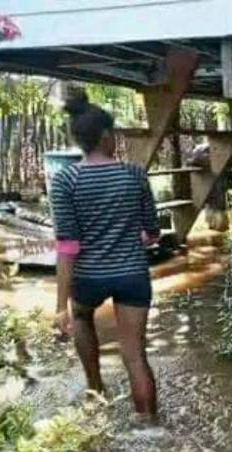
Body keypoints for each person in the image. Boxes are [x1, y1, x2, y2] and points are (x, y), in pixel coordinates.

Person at [51, 94, 159, 417]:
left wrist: (59, 308)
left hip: (88, 278)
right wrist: (135, 236)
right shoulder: (134, 174)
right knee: (135, 356)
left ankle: (95, 387)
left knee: (82, 316)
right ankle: (149, 426)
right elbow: (152, 232)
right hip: (132, 275)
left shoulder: (65, 180)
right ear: (105, 136)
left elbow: (67, 246)